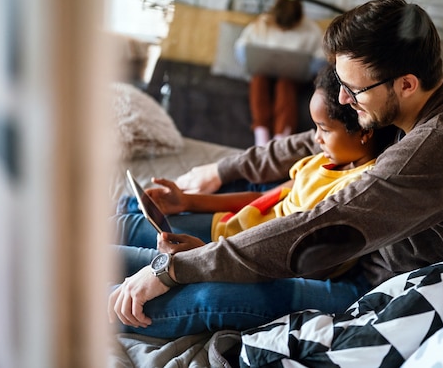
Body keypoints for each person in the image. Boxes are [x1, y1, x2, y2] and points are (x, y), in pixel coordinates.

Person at [108, 0, 443, 339]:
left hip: (370, 285)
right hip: (361, 256)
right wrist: (223, 169)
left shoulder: (435, 149)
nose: (343, 99)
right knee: (157, 251)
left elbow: (318, 225)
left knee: (207, 296)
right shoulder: (418, 103)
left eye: (354, 89)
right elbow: (314, 138)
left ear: (406, 83)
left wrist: (178, 269)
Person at [113, 65, 396, 257]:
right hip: (225, 226)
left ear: (364, 132)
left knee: (124, 228)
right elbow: (261, 199)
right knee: (131, 214)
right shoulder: (319, 163)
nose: (316, 139)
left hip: (230, 248)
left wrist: (206, 253)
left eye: (324, 129)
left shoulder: (358, 187)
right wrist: (187, 201)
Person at [234, 0, 326, 146]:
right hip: (263, 73)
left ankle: (280, 139)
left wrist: (306, 68)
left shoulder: (311, 30)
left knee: (285, 85)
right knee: (258, 81)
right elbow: (242, 47)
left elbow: (321, 58)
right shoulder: (261, 23)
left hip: (293, 79)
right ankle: (261, 136)